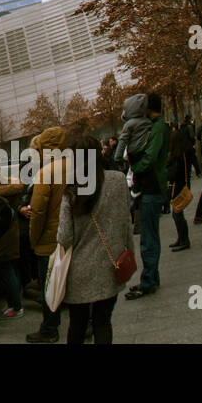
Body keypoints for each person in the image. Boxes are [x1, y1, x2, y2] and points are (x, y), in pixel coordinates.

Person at [57, 131, 132, 344]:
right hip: (111, 264)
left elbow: (64, 238)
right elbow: (126, 222)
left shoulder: (71, 190)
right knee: (103, 322)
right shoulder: (118, 181)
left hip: (79, 272)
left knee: (77, 324)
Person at [23, 125, 70, 340]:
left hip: (49, 240)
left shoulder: (45, 173)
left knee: (49, 287)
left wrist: (34, 240)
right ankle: (85, 322)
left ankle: (49, 329)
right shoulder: (76, 167)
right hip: (72, 236)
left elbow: (38, 212)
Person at [124, 93, 169, 301]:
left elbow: (150, 157)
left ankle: (148, 281)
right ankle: (152, 277)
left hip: (151, 187)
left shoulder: (158, 128)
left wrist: (135, 168)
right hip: (151, 187)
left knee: (148, 238)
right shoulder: (155, 125)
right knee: (151, 236)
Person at [0, 157, 26, 319]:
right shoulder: (10, 188)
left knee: (3, 272)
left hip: (1, 238)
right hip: (7, 236)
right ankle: (13, 302)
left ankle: (16, 305)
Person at [167, 122, 194, 252]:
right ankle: (182, 238)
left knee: (177, 214)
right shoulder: (183, 153)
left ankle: (184, 240)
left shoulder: (178, 156)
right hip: (182, 183)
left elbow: (173, 173)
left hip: (179, 185)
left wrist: (167, 173)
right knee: (177, 213)